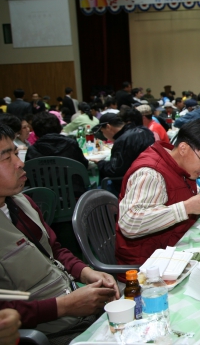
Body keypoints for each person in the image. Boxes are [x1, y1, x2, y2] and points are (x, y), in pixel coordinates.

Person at [0, 124, 119, 337]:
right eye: (6, 158)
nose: (20, 164)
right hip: (52, 331)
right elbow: (5, 313)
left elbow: (53, 250)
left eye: (16, 154)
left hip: (76, 307)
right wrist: (63, 306)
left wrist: (88, 272)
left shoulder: (21, 202)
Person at [116, 119, 200, 267]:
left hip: (174, 252)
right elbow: (129, 223)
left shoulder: (179, 166)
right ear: (183, 148)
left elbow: (188, 201)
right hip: (148, 265)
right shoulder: (151, 173)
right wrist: (186, 208)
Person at [94, 110, 155, 195]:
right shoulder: (144, 130)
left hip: (130, 184)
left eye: (102, 132)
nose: (104, 135)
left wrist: (100, 163)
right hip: (150, 178)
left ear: (108, 127)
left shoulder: (122, 140)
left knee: (95, 189)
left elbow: (114, 170)